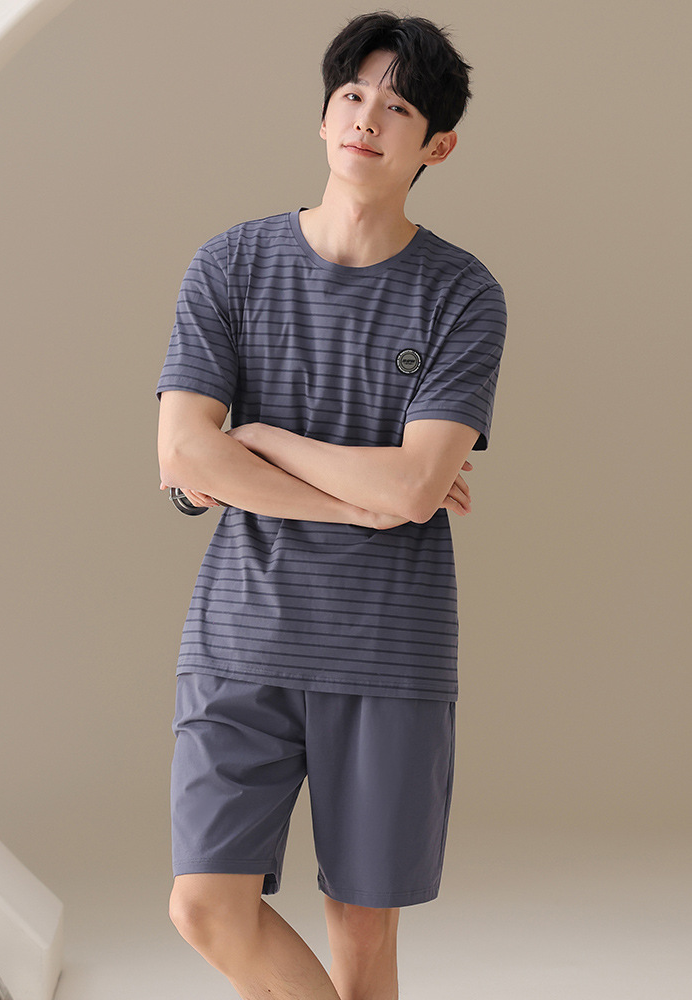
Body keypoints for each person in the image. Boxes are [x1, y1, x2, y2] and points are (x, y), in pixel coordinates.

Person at [155, 11, 507, 1000]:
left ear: (437, 146)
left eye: (397, 108)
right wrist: (364, 501)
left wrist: (261, 438)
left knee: (364, 942)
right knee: (205, 906)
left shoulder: (464, 294)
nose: (366, 119)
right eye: (352, 96)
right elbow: (183, 453)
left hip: (389, 650)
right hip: (241, 637)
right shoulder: (231, 265)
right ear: (323, 116)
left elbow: (415, 486)